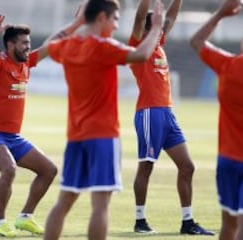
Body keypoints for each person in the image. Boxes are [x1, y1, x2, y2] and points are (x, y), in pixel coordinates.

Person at [42, 0, 165, 239]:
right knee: (100, 204)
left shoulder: (69, 45)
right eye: (115, 19)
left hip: (76, 136)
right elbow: (140, 54)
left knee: (64, 201)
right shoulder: (103, 47)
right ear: (101, 18)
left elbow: (48, 45)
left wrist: (75, 24)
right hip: (104, 136)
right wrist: (157, 27)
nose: (117, 26)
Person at [0, 10, 84, 237]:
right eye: (24, 43)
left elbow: (53, 42)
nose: (28, 47)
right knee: (9, 169)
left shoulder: (27, 63)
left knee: (49, 170)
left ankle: (25, 217)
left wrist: (78, 23)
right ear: (10, 45)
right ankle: (0, 224)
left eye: (29, 43)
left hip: (13, 137)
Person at [127, 0, 214, 235]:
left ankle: (187, 222)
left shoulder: (158, 43)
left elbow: (172, 17)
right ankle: (140, 220)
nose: (164, 26)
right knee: (146, 167)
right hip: (149, 112)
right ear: (150, 26)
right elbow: (139, 16)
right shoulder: (138, 43)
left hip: (167, 113)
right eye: (158, 23)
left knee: (187, 167)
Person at [190, 0, 243, 239]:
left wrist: (220, 14)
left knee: (229, 225)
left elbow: (196, 42)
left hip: (227, 161)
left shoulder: (228, 65)